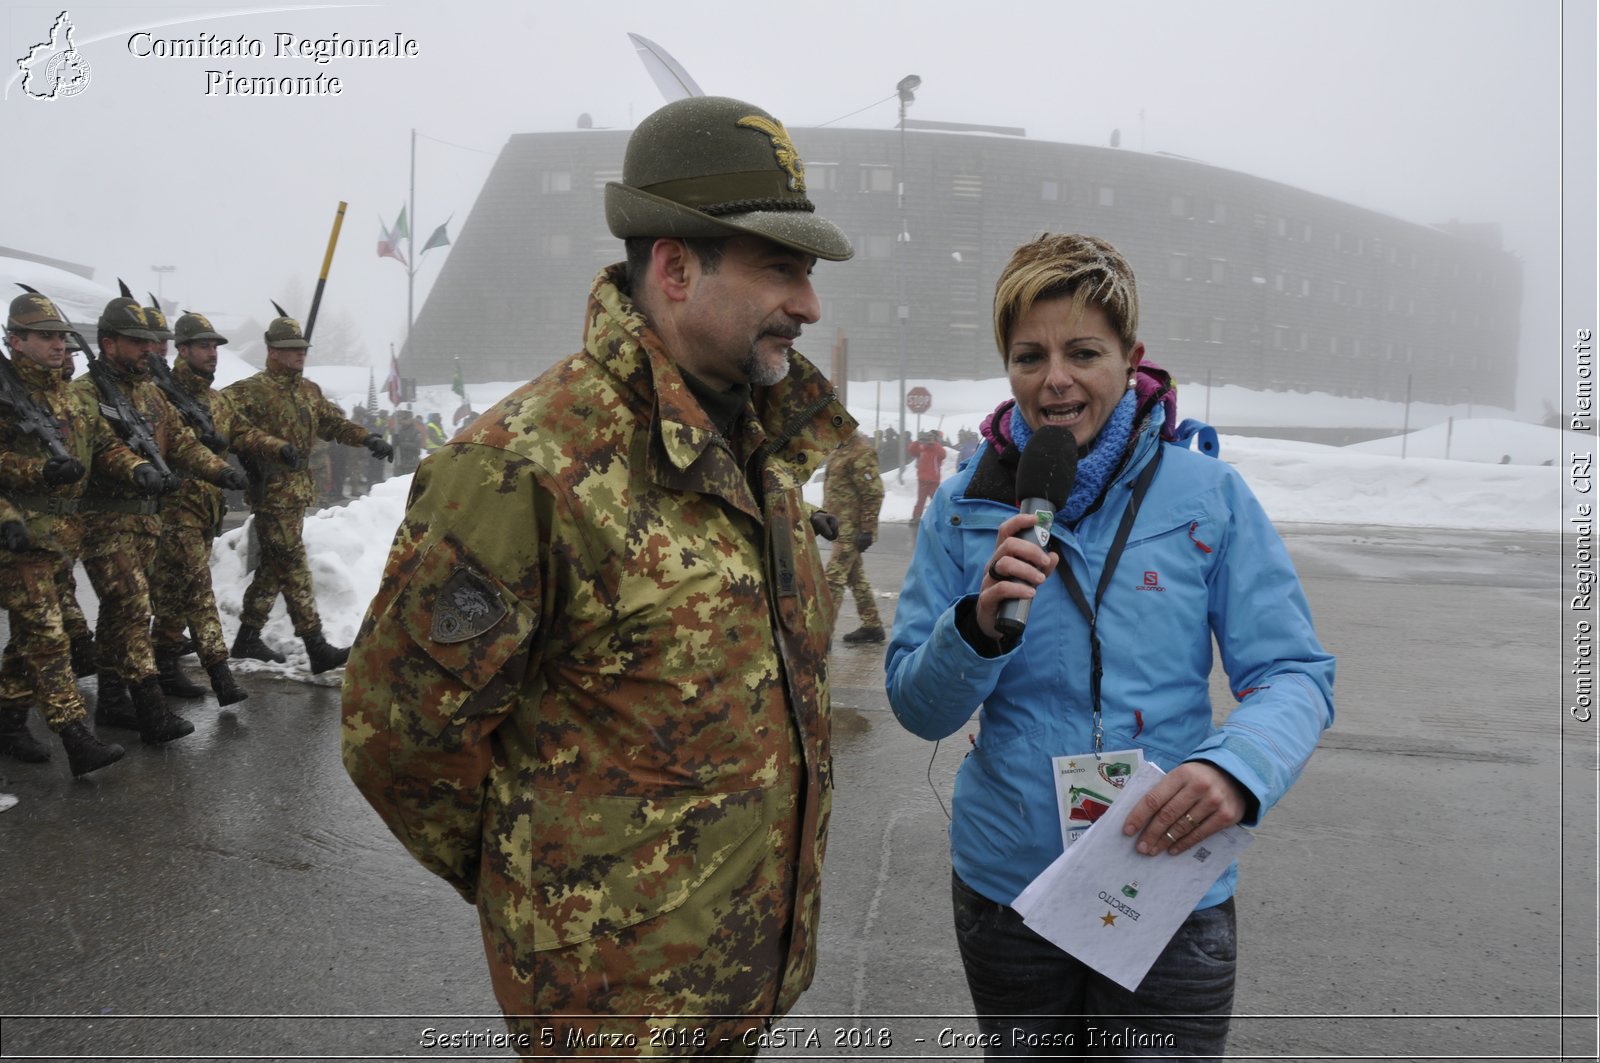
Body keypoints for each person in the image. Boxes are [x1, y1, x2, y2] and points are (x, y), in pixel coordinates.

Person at [342, 94, 855, 1055]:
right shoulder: (526, 466)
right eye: (781, 268)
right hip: (609, 1010)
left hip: (742, 981)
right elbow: (398, 741)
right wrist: (554, 895)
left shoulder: (757, 447)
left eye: (810, 273)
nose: (810, 304)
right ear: (672, 265)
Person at [884, 233, 1335, 1058]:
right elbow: (917, 704)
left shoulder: (1209, 493)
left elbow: (1293, 673)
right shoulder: (963, 505)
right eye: (1029, 355)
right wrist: (976, 628)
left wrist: (1236, 769)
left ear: (1131, 359)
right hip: (1007, 884)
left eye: (1082, 351)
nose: (1054, 378)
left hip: (1165, 876)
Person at [0, 293, 162, 773]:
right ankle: (76, 738)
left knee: (29, 637)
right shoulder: (5, 398)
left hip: (61, 539)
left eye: (61, 337)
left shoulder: (72, 397)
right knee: (50, 638)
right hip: (18, 539)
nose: (57, 345)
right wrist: (36, 476)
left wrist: (137, 469)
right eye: (45, 336)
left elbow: (107, 446)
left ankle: (8, 722)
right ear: (15, 340)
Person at [72, 298, 244, 745]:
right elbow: (102, 448)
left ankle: (111, 701)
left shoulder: (151, 394)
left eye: (152, 342)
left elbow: (184, 444)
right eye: (137, 342)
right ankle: (151, 708)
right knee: (133, 607)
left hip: (147, 525)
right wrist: (136, 469)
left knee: (117, 615)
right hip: (103, 522)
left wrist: (218, 470)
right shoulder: (84, 395)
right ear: (108, 344)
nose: (149, 350)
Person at [222, 315, 394, 672]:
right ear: (271, 352)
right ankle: (316, 646)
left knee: (273, 567)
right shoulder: (250, 390)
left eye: (302, 349)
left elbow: (333, 423)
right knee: (294, 564)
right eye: (291, 350)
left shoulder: (309, 391)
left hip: (297, 492)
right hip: (271, 492)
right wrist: (269, 446)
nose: (299, 355)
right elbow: (225, 425)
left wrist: (367, 438)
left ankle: (247, 638)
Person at [149, 312, 296, 705]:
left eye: (214, 346)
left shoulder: (215, 400)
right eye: (203, 346)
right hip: (174, 509)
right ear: (181, 350)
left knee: (171, 595)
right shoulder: (159, 395)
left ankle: (163, 668)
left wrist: (275, 446)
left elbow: (242, 432)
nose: (212, 353)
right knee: (197, 592)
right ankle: (220, 676)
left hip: (204, 512)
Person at [822, 430, 885, 644]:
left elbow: (873, 493)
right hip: (839, 526)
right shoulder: (838, 448)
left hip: (852, 529)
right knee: (855, 577)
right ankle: (872, 626)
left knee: (832, 579)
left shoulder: (861, 452)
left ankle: (820, 635)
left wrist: (867, 529)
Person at [906, 429, 947, 527]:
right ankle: (916, 517)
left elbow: (943, 455)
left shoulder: (937, 448)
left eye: (931, 437)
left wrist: (934, 443)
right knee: (921, 500)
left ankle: (939, 517)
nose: (929, 439)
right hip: (923, 479)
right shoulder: (922, 448)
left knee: (935, 500)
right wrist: (918, 441)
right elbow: (911, 451)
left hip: (934, 479)